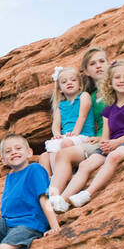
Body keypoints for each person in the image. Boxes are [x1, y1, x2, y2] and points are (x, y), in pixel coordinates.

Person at [65, 60, 124, 209]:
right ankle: (63, 200)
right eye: (117, 77)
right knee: (85, 164)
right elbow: (105, 136)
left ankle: (87, 194)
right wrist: (105, 144)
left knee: (113, 156)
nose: (122, 80)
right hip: (113, 144)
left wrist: (116, 143)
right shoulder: (109, 109)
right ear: (110, 83)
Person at [55, 48, 110, 206]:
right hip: (96, 141)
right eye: (93, 64)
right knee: (57, 155)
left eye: (102, 61)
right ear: (86, 71)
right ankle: (55, 196)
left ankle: (56, 197)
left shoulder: (118, 88)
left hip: (108, 140)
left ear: (109, 63)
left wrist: (102, 137)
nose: (98, 66)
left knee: (65, 153)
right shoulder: (91, 96)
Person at [42, 66, 101, 211]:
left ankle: (63, 176)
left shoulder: (84, 96)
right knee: (45, 154)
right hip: (66, 136)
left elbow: (82, 116)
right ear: (60, 89)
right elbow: (56, 125)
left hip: (82, 135)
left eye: (73, 80)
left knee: (65, 143)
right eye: (64, 81)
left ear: (80, 84)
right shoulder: (60, 105)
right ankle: (54, 178)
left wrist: (74, 133)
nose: (69, 82)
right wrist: (57, 134)